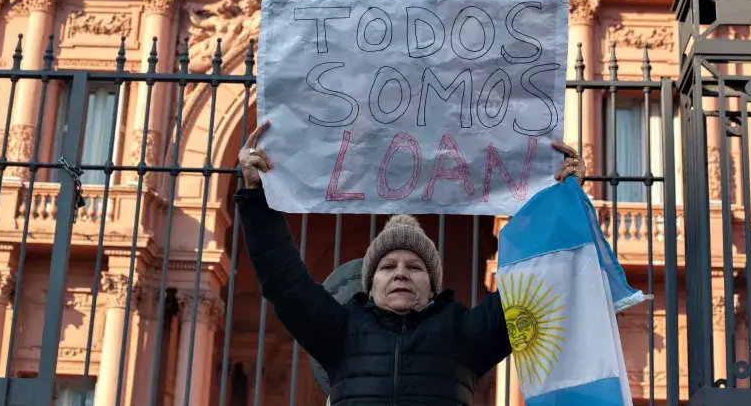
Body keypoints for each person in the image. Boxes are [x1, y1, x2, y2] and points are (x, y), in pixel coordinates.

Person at [236, 120, 587, 406]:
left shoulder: (464, 335)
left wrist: (564, 200)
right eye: (388, 267)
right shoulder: (341, 332)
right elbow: (284, 281)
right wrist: (254, 197)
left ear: (432, 286)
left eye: (415, 267)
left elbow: (536, 282)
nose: (401, 273)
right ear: (370, 284)